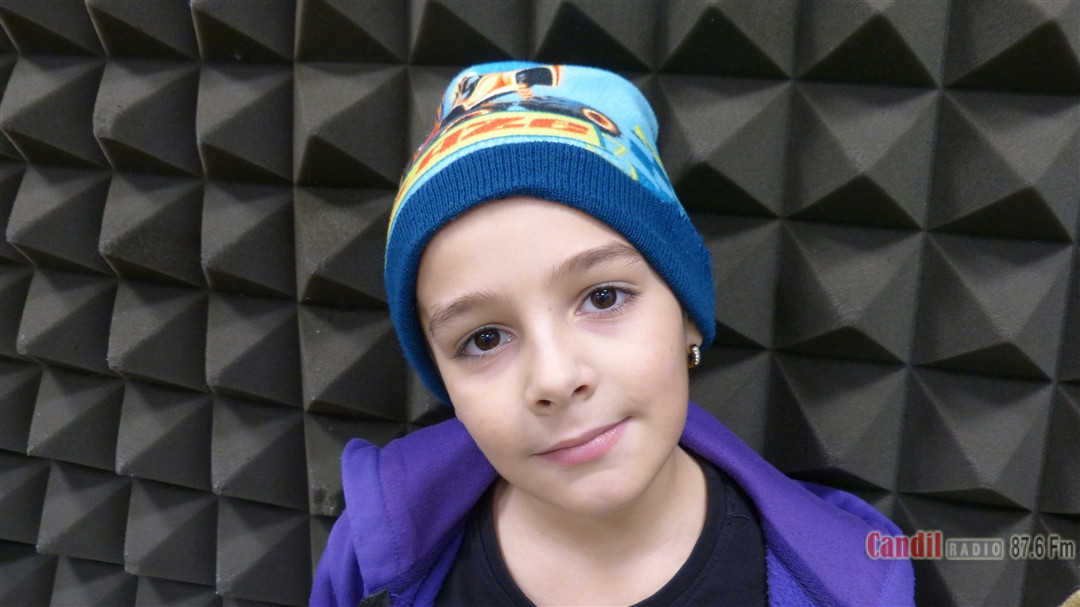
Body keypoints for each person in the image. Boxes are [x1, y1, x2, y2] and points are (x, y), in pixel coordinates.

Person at [311, 62, 914, 607]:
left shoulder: (852, 587)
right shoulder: (371, 564)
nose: (555, 378)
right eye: (485, 339)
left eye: (603, 298)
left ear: (687, 316)